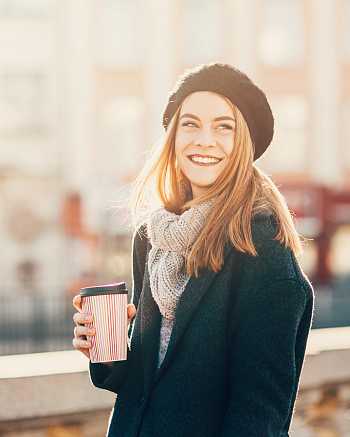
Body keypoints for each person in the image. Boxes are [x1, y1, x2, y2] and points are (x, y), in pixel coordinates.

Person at [72, 62, 314, 437]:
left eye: (223, 126)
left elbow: (258, 417)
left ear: (243, 144)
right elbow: (149, 381)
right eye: (190, 123)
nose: (204, 139)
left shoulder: (264, 256)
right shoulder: (151, 239)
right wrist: (106, 349)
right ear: (172, 135)